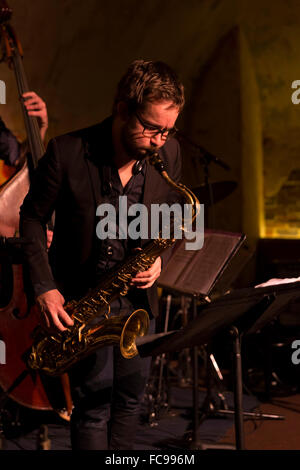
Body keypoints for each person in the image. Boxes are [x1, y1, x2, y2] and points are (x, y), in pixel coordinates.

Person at [20, 59, 185, 450]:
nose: (160, 140)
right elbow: (30, 218)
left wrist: (162, 258)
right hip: (82, 300)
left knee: (130, 402)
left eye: (168, 130)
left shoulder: (169, 152)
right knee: (93, 407)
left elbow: (175, 216)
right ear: (123, 109)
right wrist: (44, 288)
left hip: (137, 303)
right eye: (151, 127)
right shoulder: (67, 151)